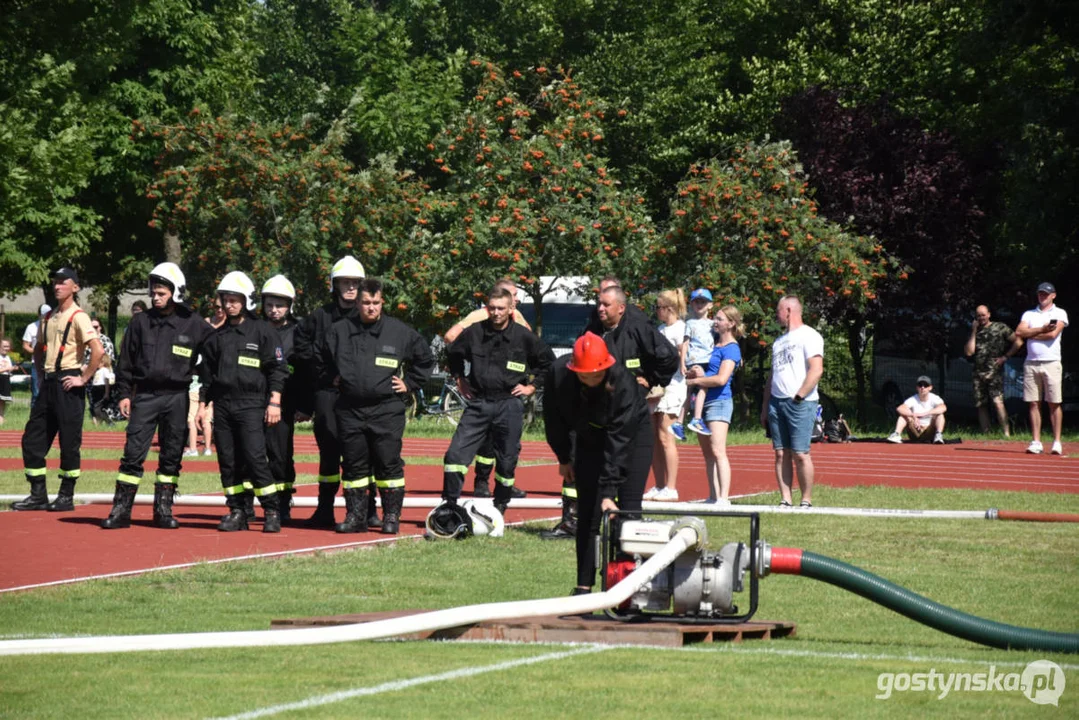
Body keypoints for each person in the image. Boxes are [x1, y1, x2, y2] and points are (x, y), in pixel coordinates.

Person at [543, 281, 677, 539]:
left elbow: (669, 357)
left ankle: (626, 544)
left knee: (627, 494)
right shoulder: (593, 328)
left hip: (629, 414)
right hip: (596, 417)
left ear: (621, 308)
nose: (600, 309)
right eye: (598, 304)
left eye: (606, 305)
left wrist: (651, 378)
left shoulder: (637, 327)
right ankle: (582, 527)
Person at [102, 263, 213, 530]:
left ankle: (163, 510)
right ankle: (121, 510)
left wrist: (204, 387)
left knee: (172, 454)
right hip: (146, 396)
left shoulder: (194, 323)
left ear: (176, 293)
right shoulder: (141, 322)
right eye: (153, 292)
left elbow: (215, 355)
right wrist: (124, 394)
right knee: (133, 453)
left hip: (177, 397)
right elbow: (125, 361)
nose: (155, 297)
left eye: (161, 293)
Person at [320, 278, 435, 534]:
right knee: (353, 465)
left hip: (387, 409)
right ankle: (356, 518)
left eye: (375, 303)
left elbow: (425, 358)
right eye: (365, 303)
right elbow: (320, 358)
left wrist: (410, 383)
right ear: (357, 303)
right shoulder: (338, 330)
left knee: (388, 463)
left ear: (382, 302)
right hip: (349, 409)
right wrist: (331, 377)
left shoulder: (399, 332)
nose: (370, 308)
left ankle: (391, 517)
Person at [544, 332, 653, 595]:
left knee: (627, 509)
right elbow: (554, 419)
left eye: (596, 375)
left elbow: (619, 443)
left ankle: (627, 582)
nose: (590, 381)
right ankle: (583, 586)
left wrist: (608, 492)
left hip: (630, 436)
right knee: (588, 514)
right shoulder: (559, 374)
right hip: (588, 436)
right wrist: (564, 457)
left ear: (606, 366)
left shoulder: (623, 384)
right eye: (584, 376)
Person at [440, 285, 554, 517]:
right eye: (492, 308)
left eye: (501, 308)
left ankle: (500, 505)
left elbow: (549, 363)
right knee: (454, 456)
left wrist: (532, 386)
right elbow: (453, 352)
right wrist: (460, 378)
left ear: (511, 308)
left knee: (506, 460)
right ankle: (449, 503)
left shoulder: (523, 337)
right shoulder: (474, 332)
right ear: (487, 308)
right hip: (479, 403)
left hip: (509, 405)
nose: (496, 313)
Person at [196, 271, 288, 533]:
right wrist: (203, 406)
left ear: (246, 300)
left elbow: (277, 369)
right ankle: (237, 510)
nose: (229, 305)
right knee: (228, 461)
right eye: (225, 300)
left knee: (256, 458)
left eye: (234, 300)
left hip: (252, 404)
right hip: (224, 405)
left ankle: (271, 510)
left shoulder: (263, 332)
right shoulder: (217, 337)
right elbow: (209, 377)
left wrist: (275, 402)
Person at [15, 267, 103, 512]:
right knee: (32, 439)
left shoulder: (79, 316)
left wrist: (83, 378)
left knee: (68, 442)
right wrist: (41, 375)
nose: (57, 286)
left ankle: (66, 496)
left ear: (75, 287)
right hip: (50, 384)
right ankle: (38, 494)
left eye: (63, 282)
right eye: (55, 282)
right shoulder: (49, 317)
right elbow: (39, 348)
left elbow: (97, 351)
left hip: (69, 383)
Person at [293, 255, 366, 528]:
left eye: (355, 283)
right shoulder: (318, 317)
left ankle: (362, 511)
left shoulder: (367, 316)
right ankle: (324, 510)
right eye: (344, 282)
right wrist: (326, 373)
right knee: (329, 453)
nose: (350, 287)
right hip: (326, 394)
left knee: (359, 455)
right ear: (334, 285)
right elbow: (301, 348)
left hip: (358, 397)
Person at [759, 295, 823, 508]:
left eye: (778, 311)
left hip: (799, 403)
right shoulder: (778, 342)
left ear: (788, 310)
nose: (776, 316)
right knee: (780, 453)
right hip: (777, 403)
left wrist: (799, 396)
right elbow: (772, 377)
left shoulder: (809, 335)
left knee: (800, 453)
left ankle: (806, 499)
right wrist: (765, 407)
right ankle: (785, 499)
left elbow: (816, 369)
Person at [686, 305, 744, 504]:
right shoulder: (713, 345)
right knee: (708, 454)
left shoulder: (732, 349)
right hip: (704, 402)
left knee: (718, 451)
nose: (715, 322)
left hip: (720, 402)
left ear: (731, 324)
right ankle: (713, 496)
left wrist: (695, 382)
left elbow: (721, 379)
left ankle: (723, 498)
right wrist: (697, 373)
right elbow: (709, 374)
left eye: (719, 319)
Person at [258, 274, 301, 524]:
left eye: (280, 305)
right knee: (249, 455)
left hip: (284, 404)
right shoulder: (253, 328)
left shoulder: (298, 332)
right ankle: (247, 505)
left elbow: (306, 370)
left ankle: (283, 504)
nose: (274, 310)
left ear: (289, 306)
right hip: (252, 401)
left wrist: (303, 404)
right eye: (270, 305)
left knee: (281, 455)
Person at [1015, 282, 1068, 455]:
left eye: (1046, 294)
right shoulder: (1029, 314)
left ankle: (1057, 441)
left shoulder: (1060, 313)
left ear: (1053, 295)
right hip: (1031, 362)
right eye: (1040, 293)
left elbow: (1053, 334)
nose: (1042, 296)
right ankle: (1036, 441)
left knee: (1054, 402)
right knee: (1033, 403)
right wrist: (1041, 329)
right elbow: (1019, 332)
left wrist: (1032, 333)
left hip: (1051, 362)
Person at [644, 289, 686, 501]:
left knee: (666, 436)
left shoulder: (681, 329)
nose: (656, 311)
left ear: (668, 308)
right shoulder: (660, 329)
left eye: (658, 307)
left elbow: (683, 356)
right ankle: (659, 485)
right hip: (658, 386)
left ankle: (671, 487)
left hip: (674, 385)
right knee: (654, 438)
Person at [964, 305, 1022, 437]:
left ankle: (1006, 433)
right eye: (978, 315)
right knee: (981, 404)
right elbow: (969, 352)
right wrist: (973, 331)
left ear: (989, 314)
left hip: (994, 372)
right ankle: (986, 433)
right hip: (978, 373)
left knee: (998, 402)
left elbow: (1018, 342)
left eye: (983, 315)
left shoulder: (1000, 327)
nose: (981, 318)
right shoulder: (975, 330)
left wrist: (1005, 357)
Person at [682, 288, 715, 437]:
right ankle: (696, 418)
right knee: (702, 387)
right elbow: (685, 343)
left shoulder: (713, 324)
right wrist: (682, 363)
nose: (700, 304)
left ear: (710, 305)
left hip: (708, 360)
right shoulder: (689, 323)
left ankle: (679, 422)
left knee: (692, 390)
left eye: (703, 302)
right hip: (696, 360)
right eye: (697, 302)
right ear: (692, 305)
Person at [887, 376, 947, 444]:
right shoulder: (912, 399)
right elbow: (900, 408)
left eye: (925, 385)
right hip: (915, 431)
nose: (922, 387)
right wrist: (913, 415)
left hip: (930, 431)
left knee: (940, 415)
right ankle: (896, 434)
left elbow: (943, 408)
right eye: (920, 385)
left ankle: (938, 435)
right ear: (917, 387)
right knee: (903, 416)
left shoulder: (935, 398)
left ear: (930, 388)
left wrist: (924, 414)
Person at [22, 304, 50, 408]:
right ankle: (35, 415)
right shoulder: (32, 327)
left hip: (51, 363)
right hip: (37, 363)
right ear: (39, 315)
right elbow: (25, 346)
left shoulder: (54, 326)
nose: (46, 317)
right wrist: (37, 352)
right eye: (43, 315)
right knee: (37, 391)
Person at [88, 354, 115, 425]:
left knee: (97, 408)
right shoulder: (98, 371)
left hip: (101, 390)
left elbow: (107, 381)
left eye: (98, 362)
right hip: (95, 390)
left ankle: (109, 421)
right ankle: (101, 422)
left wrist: (106, 393)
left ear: (103, 362)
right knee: (95, 408)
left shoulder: (104, 370)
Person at [0, 338, 13, 425]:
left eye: (8, 346)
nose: (6, 348)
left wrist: (12, 369)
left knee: (3, 400)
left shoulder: (8, 357)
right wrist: (7, 368)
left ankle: (1, 416)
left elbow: (8, 369)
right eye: (4, 346)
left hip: (5, 379)